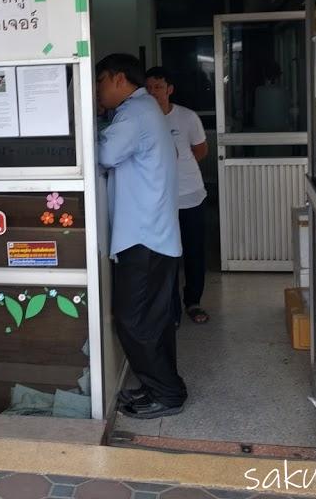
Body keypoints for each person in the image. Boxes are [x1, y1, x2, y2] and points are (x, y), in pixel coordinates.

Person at [95, 53, 187, 419]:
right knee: (154, 321)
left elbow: (103, 154)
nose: (98, 90)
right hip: (153, 234)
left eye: (100, 81)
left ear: (119, 79)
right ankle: (162, 387)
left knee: (134, 320)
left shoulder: (134, 114)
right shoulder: (145, 109)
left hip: (144, 238)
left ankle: (166, 394)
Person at [145, 67, 210, 325]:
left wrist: (178, 170)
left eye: (158, 87)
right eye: (148, 88)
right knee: (165, 255)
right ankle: (169, 307)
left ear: (169, 89)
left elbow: (201, 150)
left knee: (194, 252)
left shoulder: (187, 117)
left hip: (190, 195)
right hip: (158, 200)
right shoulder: (142, 118)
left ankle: (193, 302)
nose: (153, 92)